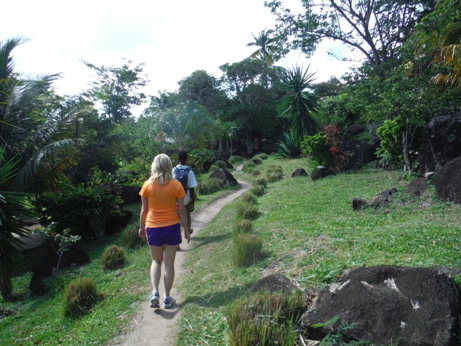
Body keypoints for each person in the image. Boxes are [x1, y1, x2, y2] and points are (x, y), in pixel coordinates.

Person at [139, 154, 191, 309]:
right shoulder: (176, 185)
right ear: (169, 165)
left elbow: (144, 210)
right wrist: (187, 230)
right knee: (169, 264)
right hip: (171, 227)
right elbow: (181, 211)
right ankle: (167, 298)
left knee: (156, 261)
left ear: (154, 165)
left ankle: (155, 292)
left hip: (153, 227)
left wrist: (142, 227)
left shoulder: (147, 185)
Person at [173, 150, 197, 239]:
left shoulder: (173, 171)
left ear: (178, 159)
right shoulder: (189, 171)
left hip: (175, 199)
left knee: (176, 220)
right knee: (187, 216)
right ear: (186, 159)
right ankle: (188, 231)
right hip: (185, 198)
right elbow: (192, 188)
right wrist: (192, 202)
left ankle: (177, 239)